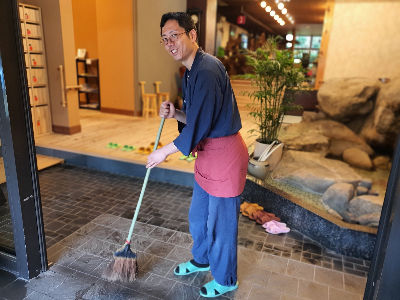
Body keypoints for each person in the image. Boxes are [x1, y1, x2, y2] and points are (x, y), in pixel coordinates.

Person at [146, 12, 248, 298]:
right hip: (208, 153)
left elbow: (202, 123)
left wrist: (164, 152)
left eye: (174, 35)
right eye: (165, 39)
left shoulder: (207, 69)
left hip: (224, 155)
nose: (169, 43)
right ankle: (201, 259)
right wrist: (175, 113)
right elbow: (198, 117)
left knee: (220, 225)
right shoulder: (191, 70)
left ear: (192, 35)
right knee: (199, 217)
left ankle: (227, 279)